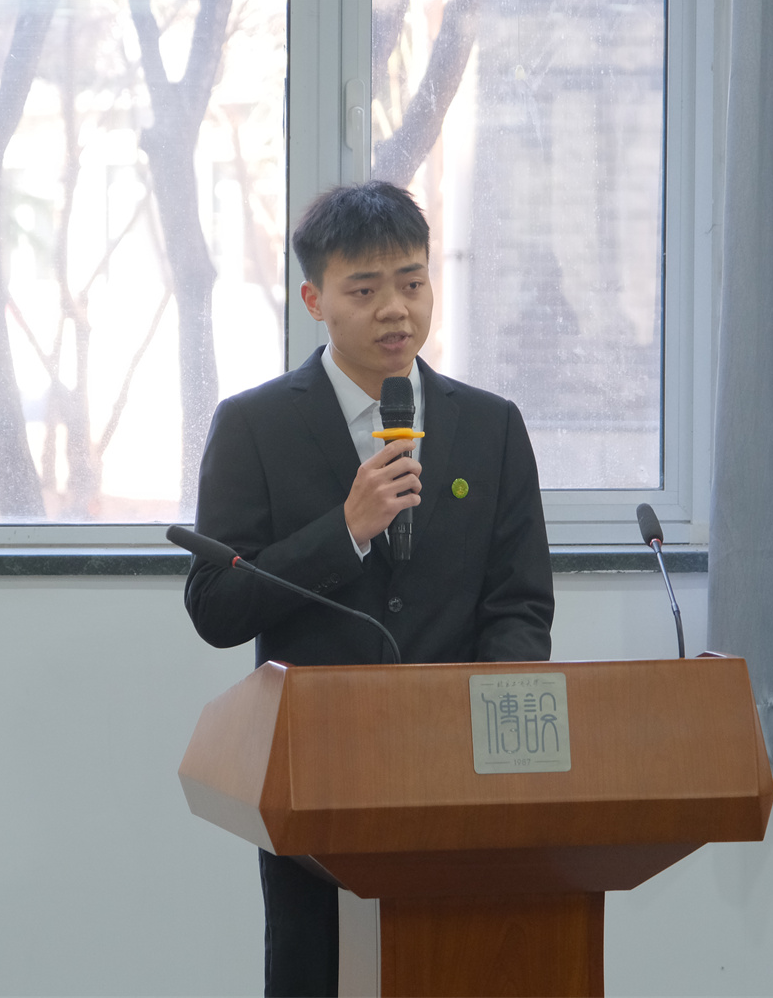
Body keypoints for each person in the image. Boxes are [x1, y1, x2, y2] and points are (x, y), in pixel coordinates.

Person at [182, 180, 554, 997]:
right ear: (315, 300)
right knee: (317, 975)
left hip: (462, 770)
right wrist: (344, 530)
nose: (396, 310)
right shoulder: (254, 427)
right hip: (316, 772)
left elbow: (519, 603)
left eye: (412, 282)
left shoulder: (490, 426)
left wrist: (501, 742)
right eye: (365, 290)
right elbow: (215, 606)